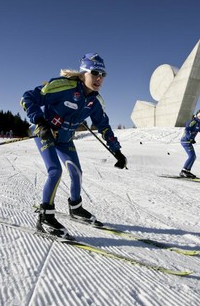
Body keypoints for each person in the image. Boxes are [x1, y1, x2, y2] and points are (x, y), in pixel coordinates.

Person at [21, 53, 127, 238]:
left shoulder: (95, 101)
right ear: (84, 73)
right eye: (94, 73)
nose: (99, 78)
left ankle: (76, 208)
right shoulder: (63, 86)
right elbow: (28, 97)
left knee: (77, 172)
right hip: (46, 133)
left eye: (103, 74)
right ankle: (45, 217)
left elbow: (104, 126)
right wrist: (40, 122)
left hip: (65, 139)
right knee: (55, 172)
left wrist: (117, 151)